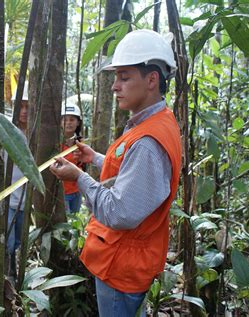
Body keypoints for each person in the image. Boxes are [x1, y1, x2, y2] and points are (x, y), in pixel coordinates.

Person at [50, 29, 182, 316]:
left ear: (151, 80)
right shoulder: (156, 122)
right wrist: (96, 158)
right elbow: (133, 176)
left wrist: (79, 178)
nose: (115, 86)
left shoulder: (148, 142)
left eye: (124, 77)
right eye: (115, 78)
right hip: (129, 261)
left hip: (121, 265)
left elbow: (120, 212)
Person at [0, 86, 29, 279]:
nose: (24, 111)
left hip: (23, 200)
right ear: (13, 106)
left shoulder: (35, 132)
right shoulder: (1, 130)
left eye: (28, 106)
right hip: (1, 199)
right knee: (6, 243)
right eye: (21, 106)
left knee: (15, 242)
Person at [61, 102, 84, 213]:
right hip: (62, 193)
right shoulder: (55, 145)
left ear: (78, 122)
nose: (68, 123)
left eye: (72, 120)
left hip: (77, 191)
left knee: (75, 224)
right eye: (65, 119)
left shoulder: (81, 143)